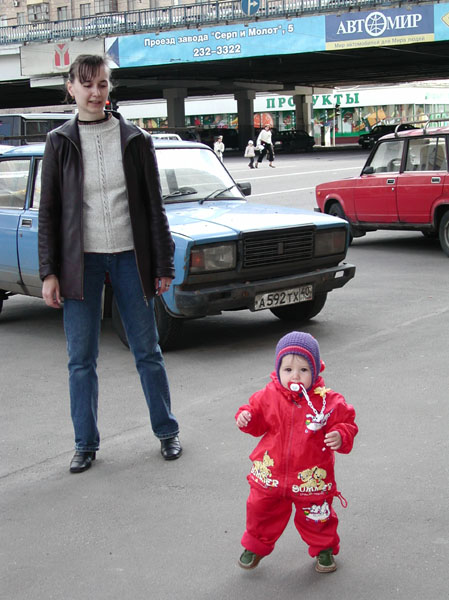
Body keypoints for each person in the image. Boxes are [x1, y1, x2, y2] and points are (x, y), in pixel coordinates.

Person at [38, 54, 182, 474]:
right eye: (87, 85)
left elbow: (154, 207)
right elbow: (49, 213)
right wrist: (49, 272)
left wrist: (163, 264)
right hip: (79, 263)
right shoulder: (59, 142)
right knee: (80, 359)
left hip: (129, 259)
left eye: (102, 84)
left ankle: (167, 432)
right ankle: (85, 444)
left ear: (109, 88)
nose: (95, 93)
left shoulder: (135, 139)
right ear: (71, 88)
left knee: (147, 351)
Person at [235, 331, 358, 573]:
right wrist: (247, 418)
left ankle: (324, 548)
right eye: (288, 369)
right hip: (270, 474)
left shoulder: (327, 401)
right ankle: (255, 545)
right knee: (260, 510)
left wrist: (340, 434)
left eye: (303, 369)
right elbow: (256, 418)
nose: (295, 376)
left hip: (309, 478)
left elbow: (347, 423)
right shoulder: (268, 395)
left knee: (317, 514)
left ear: (316, 370)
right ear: (278, 370)